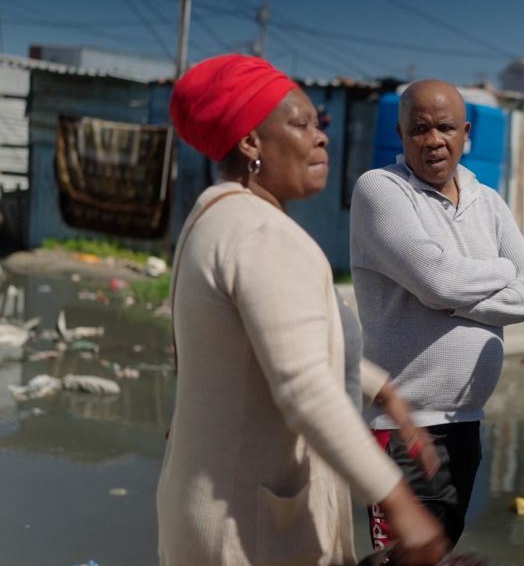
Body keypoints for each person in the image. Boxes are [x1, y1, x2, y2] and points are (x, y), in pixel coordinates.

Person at [157, 54, 447, 565]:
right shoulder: (265, 236)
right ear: (250, 142)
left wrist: (387, 395)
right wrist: (397, 501)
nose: (321, 137)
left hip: (206, 509)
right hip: (247, 529)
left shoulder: (215, 215)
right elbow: (304, 386)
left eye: (320, 123)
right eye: (300, 123)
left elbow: (280, 343)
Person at [349, 80, 524, 550]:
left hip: (466, 422)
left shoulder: (490, 203)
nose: (434, 139)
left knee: (439, 551)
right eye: (419, 129)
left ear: (466, 132)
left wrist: (448, 295)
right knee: (402, 556)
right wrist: (501, 271)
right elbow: (437, 280)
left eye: (444, 127)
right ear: (400, 133)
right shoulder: (381, 190)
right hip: (403, 428)